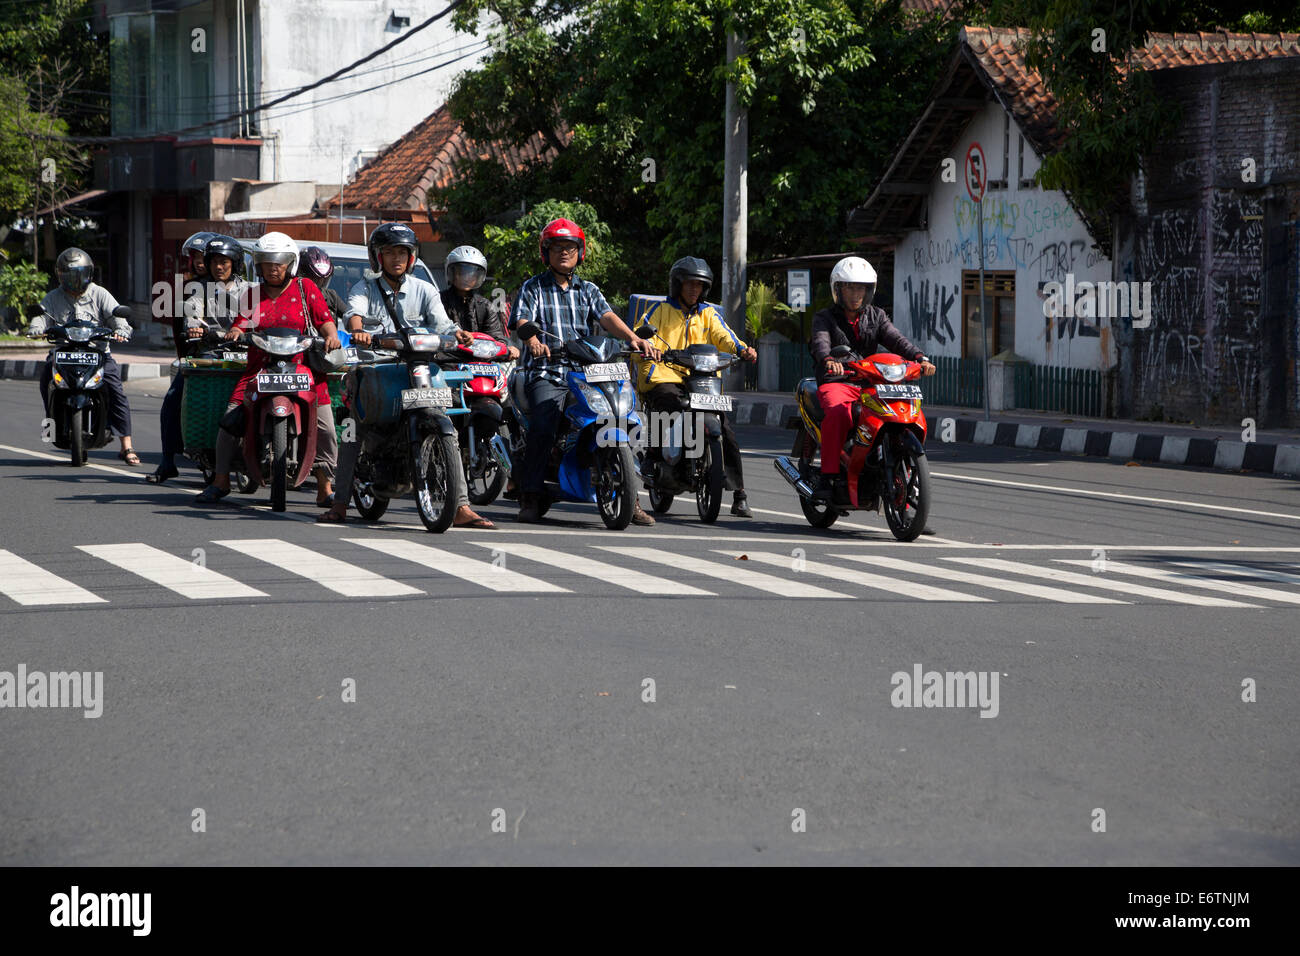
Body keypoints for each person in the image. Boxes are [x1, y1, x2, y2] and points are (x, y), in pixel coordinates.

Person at [316, 221, 495, 528]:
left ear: (411, 257)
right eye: (389, 253)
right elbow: (353, 313)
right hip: (377, 367)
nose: (397, 258)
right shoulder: (365, 287)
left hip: (420, 365)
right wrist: (358, 331)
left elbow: (441, 323)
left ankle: (462, 507)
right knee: (352, 428)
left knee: (443, 418)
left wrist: (458, 333)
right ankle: (340, 503)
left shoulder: (425, 289)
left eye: (403, 252)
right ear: (378, 257)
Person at [511, 217, 660, 525]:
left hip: (588, 372)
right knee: (544, 423)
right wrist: (535, 340)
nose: (563, 252)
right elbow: (522, 320)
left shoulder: (588, 290)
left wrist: (633, 338)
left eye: (570, 247)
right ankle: (530, 494)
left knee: (620, 418)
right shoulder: (533, 287)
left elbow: (607, 318)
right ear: (546, 252)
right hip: (548, 371)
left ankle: (630, 499)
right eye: (556, 247)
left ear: (580, 252)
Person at [193, 231, 339, 506]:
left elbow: (325, 320)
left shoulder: (306, 287)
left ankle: (325, 486)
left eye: (278, 262)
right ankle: (221, 479)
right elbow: (240, 323)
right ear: (258, 265)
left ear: (290, 264)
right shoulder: (253, 295)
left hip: (303, 368)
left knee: (327, 427)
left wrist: (330, 335)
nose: (272, 268)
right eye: (266, 263)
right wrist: (235, 332)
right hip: (260, 369)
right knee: (230, 418)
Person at [633, 256, 757, 517]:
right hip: (665, 374)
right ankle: (654, 458)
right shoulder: (660, 310)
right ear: (677, 285)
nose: (693, 290)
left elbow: (725, 335)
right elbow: (640, 333)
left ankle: (740, 494)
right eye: (689, 284)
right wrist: (647, 347)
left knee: (725, 428)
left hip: (700, 376)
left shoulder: (708, 313)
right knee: (667, 406)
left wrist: (742, 349)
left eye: (698, 285)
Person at [809, 256, 936, 505]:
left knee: (901, 414)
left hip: (872, 384)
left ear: (869, 291)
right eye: (850, 287)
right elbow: (820, 342)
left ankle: (912, 499)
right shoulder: (825, 317)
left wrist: (920, 357)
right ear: (838, 289)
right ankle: (827, 477)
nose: (856, 294)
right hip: (838, 381)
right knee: (838, 415)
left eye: (861, 288)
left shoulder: (876, 316)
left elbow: (896, 340)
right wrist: (828, 360)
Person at [149, 234, 251, 484]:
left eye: (224, 262)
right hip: (208, 355)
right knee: (174, 398)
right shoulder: (197, 289)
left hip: (246, 356)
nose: (218, 267)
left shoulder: (250, 291)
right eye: (212, 261)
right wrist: (193, 326)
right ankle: (167, 461)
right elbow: (191, 315)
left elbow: (258, 319)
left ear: (235, 263)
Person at [29, 247, 139, 465]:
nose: (75, 280)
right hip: (63, 354)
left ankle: (127, 446)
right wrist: (35, 328)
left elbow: (118, 316)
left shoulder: (100, 294)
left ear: (88, 273)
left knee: (116, 390)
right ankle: (52, 423)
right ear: (60, 275)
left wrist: (121, 330)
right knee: (46, 381)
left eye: (79, 274)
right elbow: (40, 317)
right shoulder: (53, 297)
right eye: (69, 275)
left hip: (97, 353)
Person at [298, 245, 347, 322]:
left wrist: (357, 328)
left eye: (323, 280)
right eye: (315, 279)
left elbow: (349, 315)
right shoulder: (291, 295)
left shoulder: (331, 296)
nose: (319, 283)